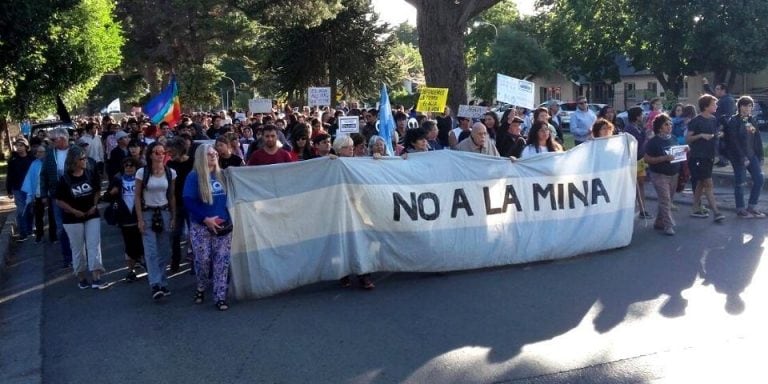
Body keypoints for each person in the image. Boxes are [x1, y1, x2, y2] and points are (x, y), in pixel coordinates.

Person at [184, 144, 233, 311]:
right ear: (200, 157)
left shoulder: (223, 175)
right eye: (209, 154)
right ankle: (201, 286)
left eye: (215, 154)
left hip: (222, 226)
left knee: (222, 261)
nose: (213, 156)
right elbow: (188, 201)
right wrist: (205, 219)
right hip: (201, 226)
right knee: (203, 260)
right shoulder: (193, 176)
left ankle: (220, 296)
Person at [55, 146, 108, 289]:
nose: (85, 161)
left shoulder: (90, 174)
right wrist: (73, 211)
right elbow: (59, 200)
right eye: (81, 159)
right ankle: (81, 277)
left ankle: (97, 277)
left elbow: (97, 191)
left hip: (92, 215)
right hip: (72, 219)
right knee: (78, 248)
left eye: (85, 158)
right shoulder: (65, 179)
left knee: (94, 245)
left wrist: (94, 205)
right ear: (74, 161)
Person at [135, 142, 177, 301]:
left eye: (162, 152)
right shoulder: (142, 172)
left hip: (164, 212)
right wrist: (139, 219)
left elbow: (172, 195)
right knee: (151, 251)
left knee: (165, 251)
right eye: (156, 152)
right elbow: (137, 196)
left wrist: (173, 216)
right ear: (150, 155)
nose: (160, 155)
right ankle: (155, 284)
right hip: (148, 213)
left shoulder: (170, 172)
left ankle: (162, 281)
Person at [332, 135, 375, 290]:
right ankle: (343, 274)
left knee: (361, 239)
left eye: (351, 146)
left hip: (358, 206)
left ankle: (364, 275)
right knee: (341, 241)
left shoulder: (359, 162)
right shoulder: (332, 163)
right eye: (346, 147)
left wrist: (377, 159)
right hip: (339, 207)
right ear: (338, 149)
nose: (351, 149)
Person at [686, 94, 725, 222]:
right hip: (698, 156)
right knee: (708, 183)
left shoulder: (713, 119)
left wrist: (718, 134)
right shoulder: (696, 121)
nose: (716, 106)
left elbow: (713, 134)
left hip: (709, 155)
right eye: (714, 104)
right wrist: (701, 135)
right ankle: (716, 212)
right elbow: (688, 139)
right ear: (706, 106)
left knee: (701, 183)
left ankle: (695, 208)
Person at [725, 96, 765, 218]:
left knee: (759, 179)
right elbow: (733, 141)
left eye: (749, 106)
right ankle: (740, 209)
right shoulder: (733, 121)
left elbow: (757, 139)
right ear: (739, 106)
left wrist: (761, 156)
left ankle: (752, 207)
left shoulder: (752, 120)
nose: (747, 108)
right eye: (744, 105)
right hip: (738, 157)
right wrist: (743, 157)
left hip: (752, 155)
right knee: (740, 182)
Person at [106, 157, 145, 281]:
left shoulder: (141, 179)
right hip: (124, 217)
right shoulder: (117, 180)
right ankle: (130, 270)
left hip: (138, 216)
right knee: (128, 245)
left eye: (131, 165)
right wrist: (112, 192)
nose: (128, 168)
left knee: (141, 243)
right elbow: (106, 197)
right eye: (126, 165)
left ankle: (143, 262)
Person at [40, 128, 75, 267]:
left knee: (77, 225)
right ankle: (67, 257)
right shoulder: (49, 154)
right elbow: (43, 175)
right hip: (56, 196)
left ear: (63, 139)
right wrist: (43, 194)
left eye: (53, 140)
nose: (51, 143)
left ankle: (81, 254)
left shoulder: (75, 151)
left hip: (75, 194)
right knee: (61, 227)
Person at [643, 114, 681, 236]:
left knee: (667, 199)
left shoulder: (673, 138)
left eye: (670, 123)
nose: (669, 126)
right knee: (665, 199)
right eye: (666, 124)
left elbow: (676, 153)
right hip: (659, 174)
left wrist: (683, 151)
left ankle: (659, 222)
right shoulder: (653, 142)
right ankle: (668, 225)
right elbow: (647, 159)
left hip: (673, 173)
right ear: (659, 127)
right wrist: (664, 158)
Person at [166, 137, 195, 272]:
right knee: (174, 235)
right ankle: (175, 260)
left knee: (194, 234)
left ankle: (196, 260)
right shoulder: (170, 166)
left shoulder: (193, 163)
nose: (169, 154)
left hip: (191, 204)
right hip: (175, 204)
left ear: (180, 149)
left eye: (171, 151)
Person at [622, 106, 651, 219]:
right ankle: (630, 209)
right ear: (636, 116)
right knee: (633, 185)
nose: (643, 116)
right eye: (641, 114)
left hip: (640, 159)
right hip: (632, 160)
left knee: (641, 184)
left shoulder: (638, 127)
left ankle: (642, 208)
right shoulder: (629, 129)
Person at [7, 137, 35, 242]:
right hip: (17, 188)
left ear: (26, 147)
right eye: (17, 146)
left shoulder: (31, 159)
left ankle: (29, 229)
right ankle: (23, 233)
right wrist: (9, 190)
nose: (19, 148)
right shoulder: (13, 160)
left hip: (30, 188)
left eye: (21, 146)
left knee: (30, 210)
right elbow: (9, 175)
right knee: (21, 210)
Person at [21, 144, 50, 243]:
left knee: (52, 216)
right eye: (38, 152)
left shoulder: (50, 163)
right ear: (36, 154)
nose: (40, 154)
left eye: (42, 152)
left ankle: (53, 236)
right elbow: (29, 179)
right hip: (38, 194)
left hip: (50, 194)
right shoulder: (34, 164)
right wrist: (30, 194)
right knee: (38, 216)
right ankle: (39, 235)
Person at [703, 77, 735, 167]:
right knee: (717, 144)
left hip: (722, 126)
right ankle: (721, 160)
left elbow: (728, 115)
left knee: (719, 144)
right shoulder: (723, 99)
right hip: (717, 125)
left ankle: (723, 160)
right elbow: (712, 94)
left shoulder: (728, 100)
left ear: (723, 90)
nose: (716, 91)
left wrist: (722, 127)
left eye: (718, 89)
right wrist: (706, 85)